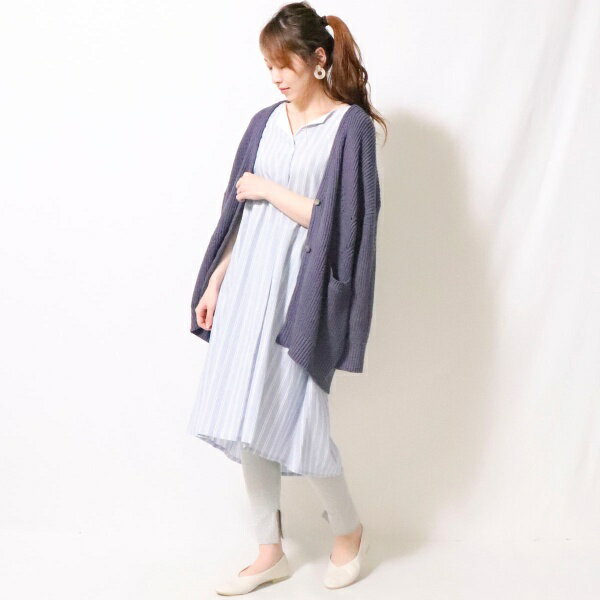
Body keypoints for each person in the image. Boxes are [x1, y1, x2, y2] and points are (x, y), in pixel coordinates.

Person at [187, 2, 386, 594]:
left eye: (285, 64)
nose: (276, 76)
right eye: (269, 65)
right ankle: (268, 550)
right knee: (246, 416)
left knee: (303, 422)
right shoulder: (264, 122)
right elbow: (240, 217)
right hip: (248, 287)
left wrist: (269, 188)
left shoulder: (350, 128)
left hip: (301, 294)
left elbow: (343, 224)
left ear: (318, 59)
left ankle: (348, 531)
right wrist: (216, 281)